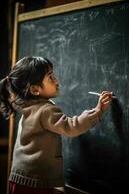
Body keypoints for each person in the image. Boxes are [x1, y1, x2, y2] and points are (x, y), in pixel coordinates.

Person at [0, 57, 113, 194]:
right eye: (50, 77)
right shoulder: (46, 110)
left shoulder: (27, 108)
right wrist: (98, 111)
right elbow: (70, 127)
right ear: (35, 89)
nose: (56, 80)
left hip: (20, 177)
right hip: (36, 183)